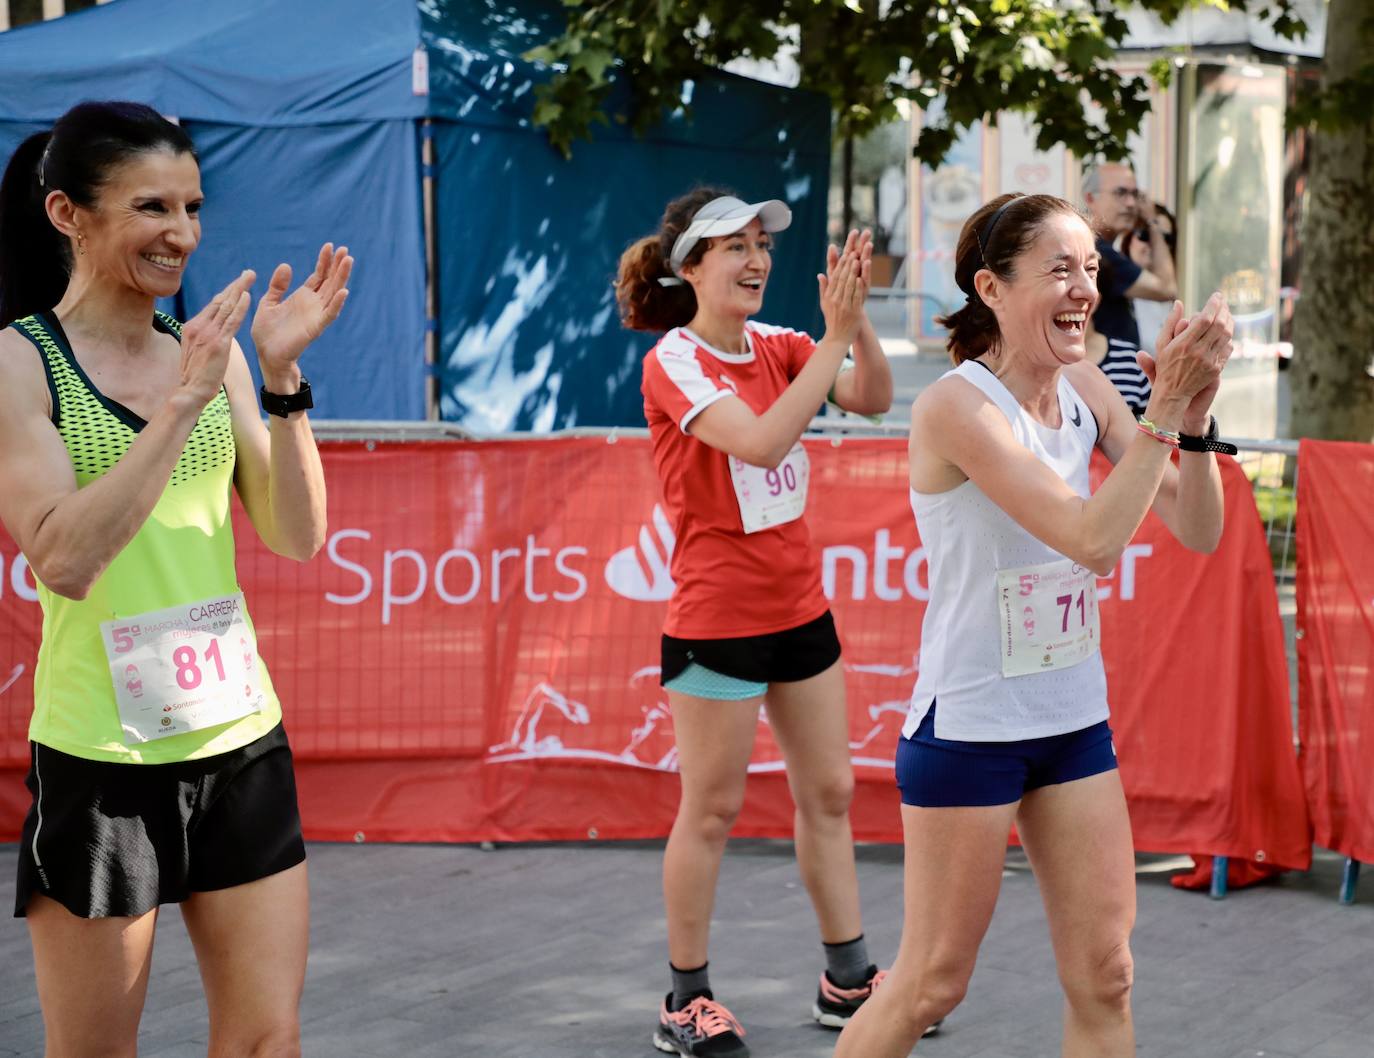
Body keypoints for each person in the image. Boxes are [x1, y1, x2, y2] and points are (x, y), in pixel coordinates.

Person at [833, 192, 1235, 1057]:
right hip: (970, 725)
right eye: (1059, 268)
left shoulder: (1089, 385)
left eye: (1091, 268)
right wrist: (1163, 413)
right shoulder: (955, 408)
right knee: (932, 982)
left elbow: (1197, 529)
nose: (1084, 287)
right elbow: (1093, 540)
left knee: (1107, 973)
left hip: (1071, 721)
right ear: (991, 286)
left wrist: (1191, 423)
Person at [0, 100, 351, 1057]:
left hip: (240, 740)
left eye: (193, 206)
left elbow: (295, 534)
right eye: (152, 207)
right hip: (104, 763)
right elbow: (64, 560)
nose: (183, 233)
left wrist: (279, 381)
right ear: (69, 213)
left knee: (266, 1042)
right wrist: (180, 403)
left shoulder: (213, 355)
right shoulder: (21, 363)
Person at [617, 188, 896, 1058]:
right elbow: (767, 440)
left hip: (799, 609)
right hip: (717, 621)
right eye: (732, 247)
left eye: (761, 245)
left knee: (831, 795)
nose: (755, 260)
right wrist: (838, 336)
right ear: (690, 269)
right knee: (713, 808)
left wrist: (860, 317)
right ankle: (684, 999)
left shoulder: (783, 342)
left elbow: (875, 398)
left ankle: (847, 981)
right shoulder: (676, 361)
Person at [1082, 162, 1177, 353]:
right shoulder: (1096, 251)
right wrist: (1151, 221)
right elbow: (1166, 289)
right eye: (1120, 193)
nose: (1131, 203)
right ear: (1091, 198)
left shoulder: (1096, 247)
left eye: (1135, 194)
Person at [1124, 201, 1178, 351]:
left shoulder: (1176, 298)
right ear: (1129, 238)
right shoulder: (1111, 285)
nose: (1155, 243)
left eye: (1165, 238)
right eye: (1145, 234)